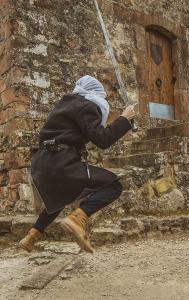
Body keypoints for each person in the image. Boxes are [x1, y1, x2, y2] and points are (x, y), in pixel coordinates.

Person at [19, 75, 135, 253]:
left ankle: (32, 235)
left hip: (41, 164)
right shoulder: (88, 106)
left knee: (62, 195)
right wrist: (124, 119)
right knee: (113, 185)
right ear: (96, 93)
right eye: (105, 95)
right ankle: (78, 218)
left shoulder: (65, 104)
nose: (105, 99)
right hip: (61, 163)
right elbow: (102, 139)